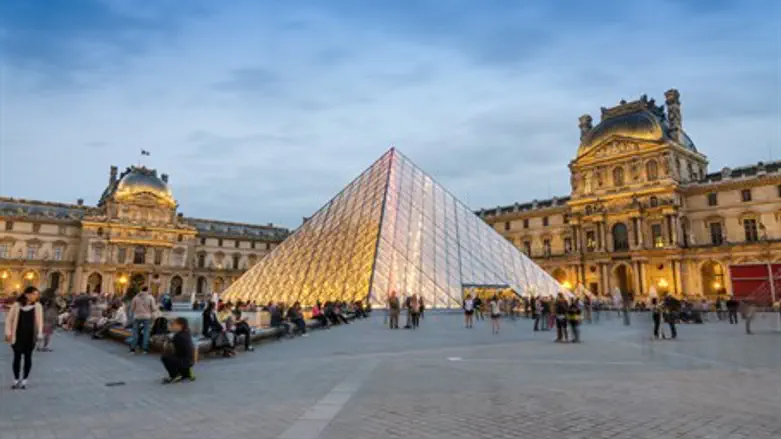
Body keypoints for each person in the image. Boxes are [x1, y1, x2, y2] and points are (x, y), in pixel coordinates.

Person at [5, 286, 43, 389]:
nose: (36, 296)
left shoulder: (38, 306)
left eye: (37, 294)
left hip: (30, 336)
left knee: (28, 357)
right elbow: (9, 320)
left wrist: (40, 332)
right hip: (17, 336)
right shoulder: (17, 305)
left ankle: (25, 380)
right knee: (17, 357)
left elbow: (40, 321)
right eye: (34, 294)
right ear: (27, 294)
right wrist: (8, 333)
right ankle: (16, 379)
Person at [161, 317, 195, 384]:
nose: (173, 326)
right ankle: (186, 374)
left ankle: (175, 375)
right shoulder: (187, 332)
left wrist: (166, 342)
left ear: (180, 326)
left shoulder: (178, 336)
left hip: (185, 362)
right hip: (190, 361)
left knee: (165, 357)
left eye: (174, 324)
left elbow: (168, 347)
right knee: (175, 356)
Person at [129, 287, 156, 354]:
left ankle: (132, 349)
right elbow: (153, 309)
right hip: (147, 317)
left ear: (141, 290)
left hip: (137, 317)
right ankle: (145, 349)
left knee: (135, 333)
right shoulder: (150, 297)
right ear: (147, 290)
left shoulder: (135, 297)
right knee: (146, 333)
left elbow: (132, 308)